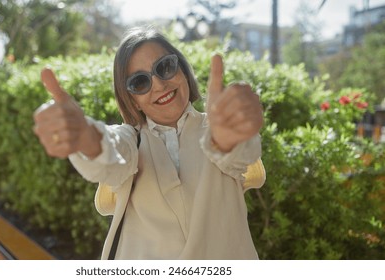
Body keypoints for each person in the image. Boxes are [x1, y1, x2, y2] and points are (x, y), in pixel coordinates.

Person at [33, 25, 265, 260]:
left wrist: (228, 139)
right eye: (140, 82)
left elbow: (240, 154)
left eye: (165, 67)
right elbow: (111, 154)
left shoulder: (218, 128)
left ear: (183, 70)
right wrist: (85, 136)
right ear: (132, 101)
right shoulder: (130, 141)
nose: (159, 85)